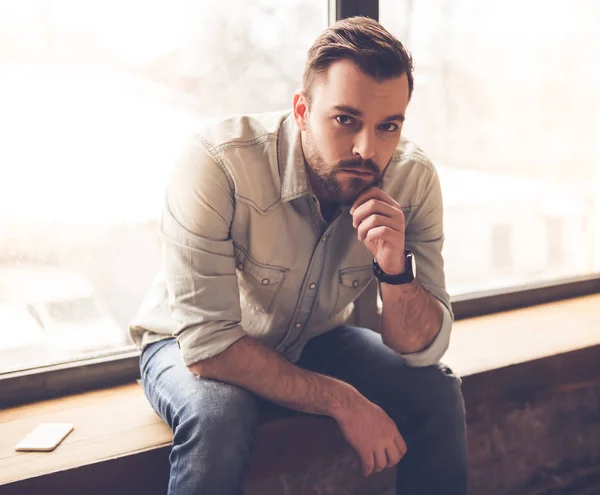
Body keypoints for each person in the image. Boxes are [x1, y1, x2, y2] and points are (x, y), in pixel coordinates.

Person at [130, 16, 467, 495]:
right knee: (220, 418)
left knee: (437, 391)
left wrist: (394, 273)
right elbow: (207, 344)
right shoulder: (216, 162)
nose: (367, 148)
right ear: (302, 109)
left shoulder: (412, 179)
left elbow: (422, 346)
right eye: (345, 119)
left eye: (387, 126)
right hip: (186, 344)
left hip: (314, 337)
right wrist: (343, 401)